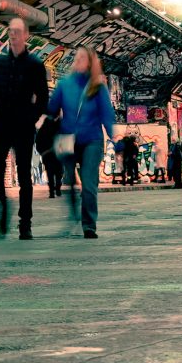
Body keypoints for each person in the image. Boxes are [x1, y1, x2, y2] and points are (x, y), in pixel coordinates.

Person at [0, 16, 46, 239]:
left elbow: (43, 98)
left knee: (24, 175)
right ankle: (3, 212)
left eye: (17, 31)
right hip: (1, 126)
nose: (13, 34)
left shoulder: (35, 64)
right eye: (10, 31)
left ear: (26, 35)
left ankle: (25, 223)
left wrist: (31, 118)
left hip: (23, 127)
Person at [47, 47, 116, 239]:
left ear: (90, 63)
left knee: (88, 184)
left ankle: (89, 225)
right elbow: (52, 108)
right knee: (68, 180)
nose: (78, 60)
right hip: (68, 139)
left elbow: (106, 114)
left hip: (92, 140)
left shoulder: (98, 87)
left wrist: (114, 137)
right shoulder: (64, 84)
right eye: (76, 57)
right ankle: (74, 214)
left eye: (82, 58)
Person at [36, 113, 63, 199]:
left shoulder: (43, 129)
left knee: (50, 173)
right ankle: (57, 189)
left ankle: (52, 192)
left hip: (47, 154)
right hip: (57, 153)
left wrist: (42, 152)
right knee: (59, 172)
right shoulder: (59, 127)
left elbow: (38, 142)